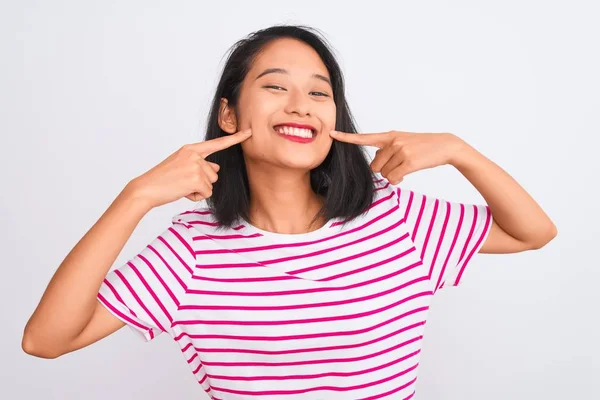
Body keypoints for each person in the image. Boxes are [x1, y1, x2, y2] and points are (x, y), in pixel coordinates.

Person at [22, 25, 557, 399]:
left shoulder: (394, 216)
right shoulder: (189, 250)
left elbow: (533, 231)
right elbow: (45, 341)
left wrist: (458, 149)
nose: (300, 105)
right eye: (275, 86)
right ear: (229, 114)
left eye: (319, 94)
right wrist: (135, 195)